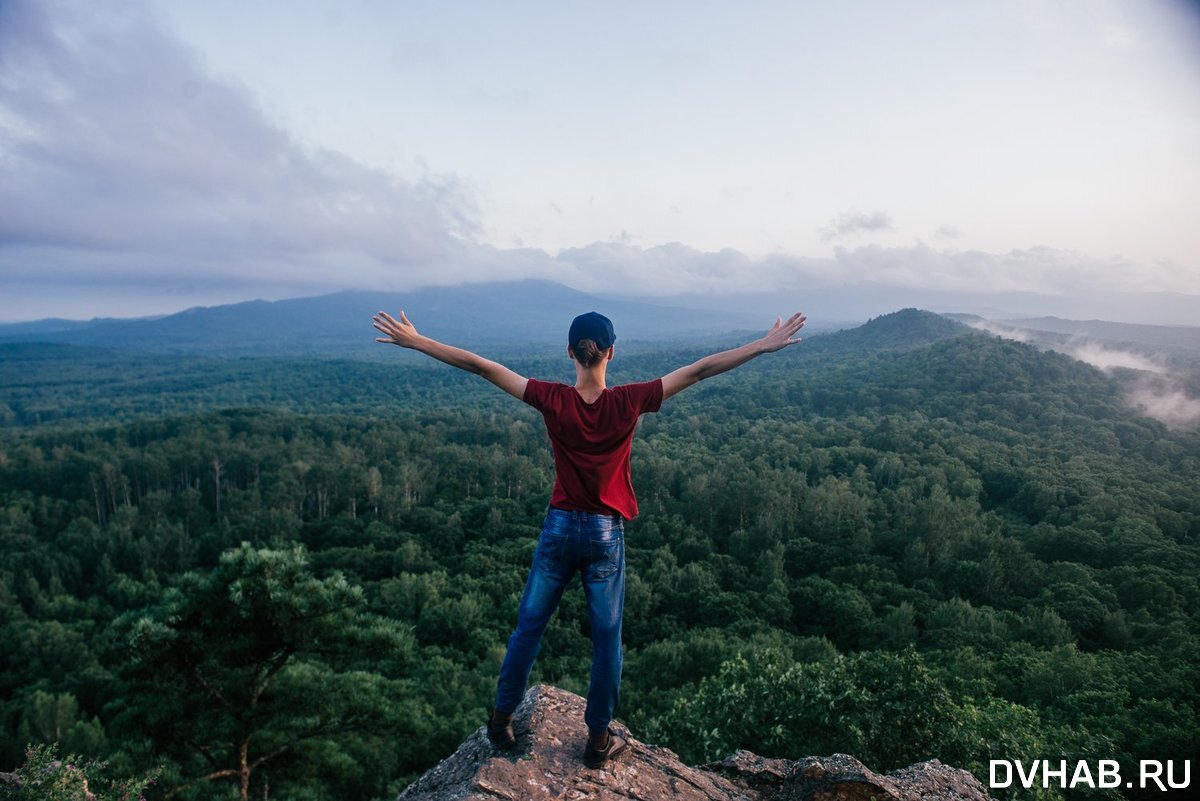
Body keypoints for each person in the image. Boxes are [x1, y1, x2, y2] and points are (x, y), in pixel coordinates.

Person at [372, 306, 806, 768]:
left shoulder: (551, 399)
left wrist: (417, 341)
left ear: (570, 353)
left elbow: (481, 366)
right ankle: (597, 742)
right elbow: (699, 370)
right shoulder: (629, 401)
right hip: (604, 536)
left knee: (528, 628)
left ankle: (500, 721)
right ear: (611, 353)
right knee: (607, 640)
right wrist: (761, 345)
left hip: (559, 530)